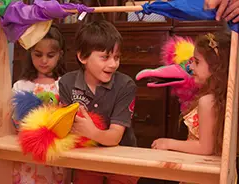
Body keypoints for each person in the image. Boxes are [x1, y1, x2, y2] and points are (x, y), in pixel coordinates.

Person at [58, 20, 138, 184]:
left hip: (121, 159)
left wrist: (91, 132)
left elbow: (115, 137)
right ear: (82, 56)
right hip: (86, 159)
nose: (113, 64)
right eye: (105, 57)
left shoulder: (126, 85)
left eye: (116, 57)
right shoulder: (67, 82)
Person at [152, 31, 233, 182]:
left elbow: (205, 147)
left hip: (201, 175)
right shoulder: (224, 99)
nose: (191, 67)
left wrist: (168, 143)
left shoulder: (208, 101)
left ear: (216, 67)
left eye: (197, 62)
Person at [11, 25, 70, 184]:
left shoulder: (63, 84)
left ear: (60, 55)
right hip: (27, 152)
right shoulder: (22, 86)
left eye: (50, 55)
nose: (44, 61)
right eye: (38, 55)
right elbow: (15, 120)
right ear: (30, 53)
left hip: (54, 153)